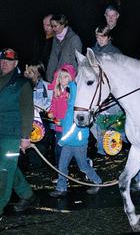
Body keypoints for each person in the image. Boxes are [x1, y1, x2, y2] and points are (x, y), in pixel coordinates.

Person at [0, 49, 36, 222]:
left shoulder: (22, 83)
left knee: (5, 170)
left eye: (8, 61)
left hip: (12, 135)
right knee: (7, 167)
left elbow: (28, 111)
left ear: (15, 63)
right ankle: (27, 194)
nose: (4, 63)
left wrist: (25, 136)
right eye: (2, 60)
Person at [49, 63, 103, 197]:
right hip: (69, 143)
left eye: (66, 78)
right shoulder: (70, 106)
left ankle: (97, 181)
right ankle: (61, 188)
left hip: (78, 143)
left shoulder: (77, 104)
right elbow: (68, 121)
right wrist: (60, 122)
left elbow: (75, 127)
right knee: (62, 166)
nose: (63, 80)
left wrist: (62, 141)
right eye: (61, 78)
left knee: (83, 166)